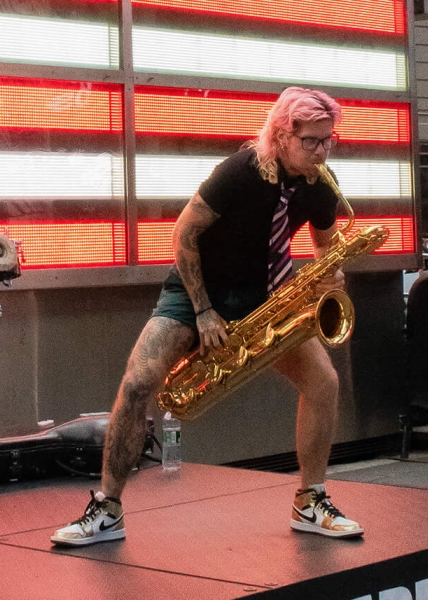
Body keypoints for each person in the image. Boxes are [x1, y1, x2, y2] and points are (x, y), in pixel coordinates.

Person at [50, 87, 364, 547]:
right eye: (312, 142)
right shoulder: (239, 171)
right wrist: (203, 310)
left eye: (328, 141)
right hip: (197, 291)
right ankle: (107, 509)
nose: (321, 151)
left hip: (266, 295)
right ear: (281, 134)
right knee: (139, 383)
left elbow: (323, 246)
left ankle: (309, 500)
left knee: (325, 383)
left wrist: (331, 275)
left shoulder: (319, 182)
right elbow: (184, 233)